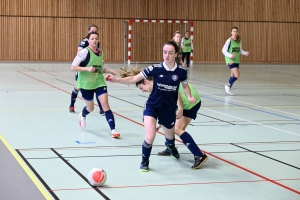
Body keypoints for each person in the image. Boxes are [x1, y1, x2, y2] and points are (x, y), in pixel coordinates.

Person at [106, 41, 207, 172]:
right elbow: (133, 79)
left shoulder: (181, 72)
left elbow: (181, 91)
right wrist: (116, 80)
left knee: (173, 132)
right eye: (164, 52)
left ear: (176, 54)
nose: (167, 55)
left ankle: (172, 147)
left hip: (174, 107)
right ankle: (144, 161)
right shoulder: (155, 69)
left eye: (170, 53)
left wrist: (186, 100)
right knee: (150, 135)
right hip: (153, 106)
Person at [71, 32, 120, 138]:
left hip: (99, 82)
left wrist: (109, 70)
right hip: (86, 84)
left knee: (105, 104)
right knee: (91, 108)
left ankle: (113, 130)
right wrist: (87, 69)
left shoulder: (101, 53)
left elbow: (100, 68)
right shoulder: (84, 52)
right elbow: (73, 67)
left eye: (96, 38)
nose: (94, 40)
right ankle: (83, 114)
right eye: (92, 38)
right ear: (88, 40)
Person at [156, 82, 208, 169]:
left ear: (147, 82)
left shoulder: (159, 85)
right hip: (190, 99)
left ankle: (199, 155)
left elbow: (176, 94)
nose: (143, 91)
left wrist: (159, 124)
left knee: (177, 128)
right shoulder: (160, 79)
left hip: (188, 103)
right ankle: (170, 147)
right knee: (171, 125)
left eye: (142, 88)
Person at [69, 24, 104, 115]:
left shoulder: (97, 42)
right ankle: (72, 105)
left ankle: (101, 108)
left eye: (95, 31)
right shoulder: (84, 41)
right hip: (84, 68)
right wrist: (85, 66)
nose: (94, 32)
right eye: (92, 31)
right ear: (88, 32)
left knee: (97, 85)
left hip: (93, 70)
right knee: (78, 87)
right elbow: (79, 54)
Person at [222, 26, 249, 96]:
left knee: (233, 75)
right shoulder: (229, 40)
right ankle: (227, 86)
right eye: (233, 31)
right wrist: (230, 55)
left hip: (236, 60)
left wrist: (245, 53)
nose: (235, 32)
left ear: (237, 32)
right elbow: (224, 50)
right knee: (237, 75)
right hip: (230, 60)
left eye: (236, 31)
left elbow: (240, 50)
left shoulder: (239, 40)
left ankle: (229, 88)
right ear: (231, 32)